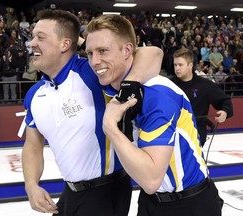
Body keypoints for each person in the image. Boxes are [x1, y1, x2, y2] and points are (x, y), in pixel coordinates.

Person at [22, 9, 163, 216]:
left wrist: (130, 83)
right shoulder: (35, 94)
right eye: (33, 37)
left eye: (40, 38)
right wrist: (31, 185)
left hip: (105, 192)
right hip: (70, 191)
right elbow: (32, 143)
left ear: (65, 44)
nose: (31, 43)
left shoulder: (92, 72)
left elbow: (153, 53)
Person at [85, 14, 224, 216]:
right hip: (151, 202)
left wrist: (110, 127)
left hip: (191, 204)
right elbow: (152, 53)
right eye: (89, 53)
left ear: (127, 51)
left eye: (103, 51)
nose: (94, 61)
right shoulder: (112, 84)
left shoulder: (158, 95)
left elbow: (151, 180)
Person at [170, 48, 233, 146]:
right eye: (175, 65)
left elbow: (225, 101)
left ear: (190, 65)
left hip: (196, 137)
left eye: (180, 65)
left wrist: (225, 112)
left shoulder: (205, 85)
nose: (177, 68)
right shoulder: (168, 85)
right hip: (172, 137)